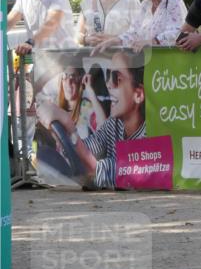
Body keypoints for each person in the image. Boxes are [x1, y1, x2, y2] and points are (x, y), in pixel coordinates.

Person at [36, 51, 145, 189]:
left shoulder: (148, 135)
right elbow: (87, 149)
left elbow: (102, 174)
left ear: (138, 94)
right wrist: (63, 135)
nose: (109, 84)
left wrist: (69, 127)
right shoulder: (114, 124)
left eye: (116, 78)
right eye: (107, 76)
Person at [96, 0, 187, 52]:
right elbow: (134, 32)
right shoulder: (145, 5)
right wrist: (115, 41)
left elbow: (178, 31)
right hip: (147, 60)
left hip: (169, 61)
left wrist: (152, 41)